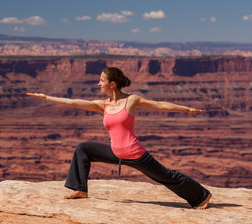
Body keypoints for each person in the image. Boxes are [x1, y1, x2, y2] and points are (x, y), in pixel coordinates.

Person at [27, 67, 212, 210]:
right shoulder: (103, 105)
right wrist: (46, 98)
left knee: (166, 176)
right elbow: (74, 103)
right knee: (83, 148)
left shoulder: (131, 100)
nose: (99, 84)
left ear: (112, 84)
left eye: (101, 81)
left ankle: (202, 196)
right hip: (116, 153)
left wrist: (187, 109)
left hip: (135, 155)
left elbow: (160, 105)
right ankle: (80, 189)